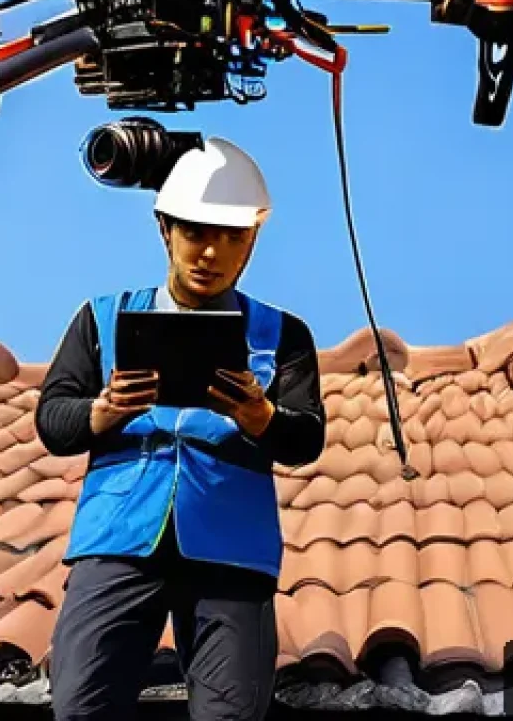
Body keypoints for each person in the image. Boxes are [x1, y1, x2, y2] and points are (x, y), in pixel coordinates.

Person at [35, 136, 326, 721]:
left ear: (253, 239)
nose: (211, 254)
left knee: (231, 714)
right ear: (164, 229)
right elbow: (53, 419)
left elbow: (307, 438)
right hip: (117, 540)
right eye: (196, 233)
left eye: (231, 236)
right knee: (80, 707)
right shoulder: (101, 318)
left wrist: (260, 416)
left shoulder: (283, 335)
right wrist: (105, 410)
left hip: (230, 551)